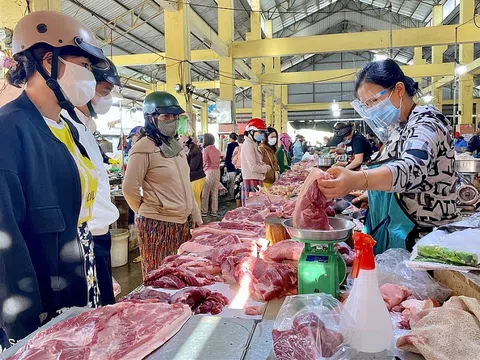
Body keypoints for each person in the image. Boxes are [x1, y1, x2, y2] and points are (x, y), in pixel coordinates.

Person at [0, 11, 109, 343]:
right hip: (44, 297)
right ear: (49, 61)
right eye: (86, 67)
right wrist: (24, 321)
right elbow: (6, 242)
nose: (90, 79)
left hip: (82, 272)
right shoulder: (10, 129)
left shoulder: (67, 128)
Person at [318, 59, 458, 254]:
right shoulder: (399, 128)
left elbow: (411, 168)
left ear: (399, 89)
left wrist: (359, 179)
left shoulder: (426, 123)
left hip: (424, 241)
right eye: (367, 105)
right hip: (398, 229)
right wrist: (372, 193)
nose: (372, 109)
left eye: (375, 101)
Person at [123, 91, 202, 278]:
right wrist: (150, 209)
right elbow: (129, 189)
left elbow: (185, 183)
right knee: (160, 277)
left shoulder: (176, 147)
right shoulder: (142, 148)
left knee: (180, 275)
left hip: (181, 223)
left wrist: (195, 213)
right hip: (157, 224)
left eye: (175, 116)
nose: (172, 120)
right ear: (150, 118)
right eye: (166, 116)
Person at [61, 58, 121, 306]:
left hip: (98, 236)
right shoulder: (65, 126)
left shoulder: (84, 127)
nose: (107, 100)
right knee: (94, 315)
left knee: (105, 309)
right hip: (85, 240)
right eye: (105, 92)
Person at [240, 118, 271, 206]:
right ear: (251, 132)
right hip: (251, 180)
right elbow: (253, 167)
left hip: (255, 179)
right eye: (260, 132)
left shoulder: (253, 144)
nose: (262, 135)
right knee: (252, 210)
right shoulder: (248, 145)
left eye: (263, 133)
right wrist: (266, 168)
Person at [181, 136, 206, 211]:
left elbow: (193, 167)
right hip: (192, 178)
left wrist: (182, 167)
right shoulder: (190, 151)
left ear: (186, 144)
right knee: (194, 198)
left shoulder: (195, 151)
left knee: (195, 199)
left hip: (197, 178)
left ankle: (197, 217)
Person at [201, 133, 222, 217]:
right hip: (217, 171)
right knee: (214, 192)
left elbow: (204, 162)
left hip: (209, 172)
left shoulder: (206, 150)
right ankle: (214, 211)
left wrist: (202, 169)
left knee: (205, 192)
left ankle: (204, 211)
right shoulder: (217, 150)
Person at [224, 132, 239, 200]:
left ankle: (231, 196)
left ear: (231, 138)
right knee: (236, 181)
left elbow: (228, 156)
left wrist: (226, 165)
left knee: (231, 182)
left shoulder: (230, 145)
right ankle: (236, 195)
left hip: (231, 165)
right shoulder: (238, 145)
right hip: (237, 166)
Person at [232, 135, 244, 207]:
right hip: (247, 172)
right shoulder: (248, 148)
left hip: (239, 171)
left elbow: (233, 160)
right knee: (245, 189)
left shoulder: (237, 149)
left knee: (237, 189)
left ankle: (238, 207)